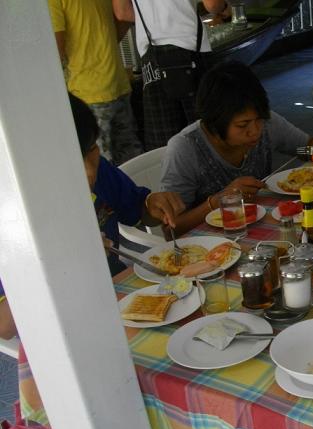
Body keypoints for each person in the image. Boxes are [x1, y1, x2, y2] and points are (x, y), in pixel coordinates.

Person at [161, 60, 313, 236]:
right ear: (215, 122)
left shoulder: (267, 124)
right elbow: (171, 230)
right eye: (243, 125)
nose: (255, 131)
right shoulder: (186, 148)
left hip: (263, 230)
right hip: (210, 245)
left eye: (259, 120)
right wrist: (216, 202)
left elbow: (301, 149)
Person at [68, 93, 185, 275]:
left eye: (92, 150)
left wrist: (152, 204)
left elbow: (139, 210)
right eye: (72, 159)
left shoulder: (103, 172)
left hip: (118, 279)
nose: (90, 172)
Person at [112, 0, 227, 149]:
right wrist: (225, 7)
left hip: (152, 60)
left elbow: (122, 12)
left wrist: (154, 18)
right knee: (209, 137)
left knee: (166, 147)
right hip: (191, 47)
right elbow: (212, 5)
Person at [49, 0, 142, 165]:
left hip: (88, 91)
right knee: (132, 159)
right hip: (118, 81)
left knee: (101, 165)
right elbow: (124, 17)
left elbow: (56, 50)